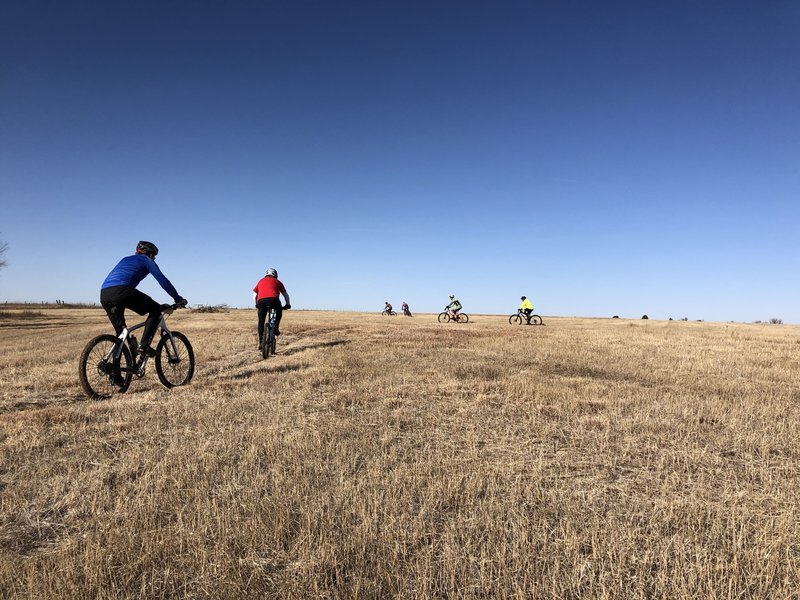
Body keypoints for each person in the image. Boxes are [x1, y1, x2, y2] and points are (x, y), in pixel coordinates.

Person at [100, 241, 187, 358]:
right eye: (154, 256)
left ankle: (116, 374)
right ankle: (144, 346)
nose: (154, 258)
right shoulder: (147, 261)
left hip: (105, 293)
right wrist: (178, 298)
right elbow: (163, 281)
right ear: (150, 254)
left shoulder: (125, 259)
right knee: (155, 310)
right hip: (122, 291)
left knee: (120, 334)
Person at [253, 267, 290, 348]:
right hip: (273, 300)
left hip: (261, 301)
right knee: (279, 311)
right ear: (275, 275)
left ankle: (260, 343)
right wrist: (287, 304)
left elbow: (254, 294)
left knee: (261, 322)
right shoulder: (277, 282)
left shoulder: (260, 281)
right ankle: (276, 327)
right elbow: (285, 295)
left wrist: (256, 304)